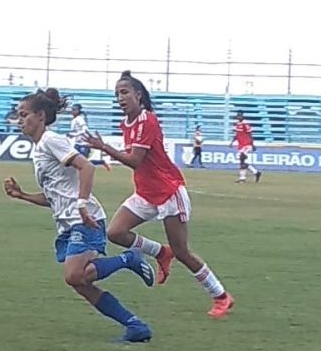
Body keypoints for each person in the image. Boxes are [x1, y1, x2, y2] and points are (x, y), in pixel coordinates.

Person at [4, 88, 155, 343]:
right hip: (68, 223)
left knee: (74, 275)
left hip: (85, 219)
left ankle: (129, 258)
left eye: (23, 115)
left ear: (40, 116)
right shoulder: (40, 149)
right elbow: (55, 197)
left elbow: (86, 167)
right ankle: (135, 326)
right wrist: (23, 195)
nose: (20, 120)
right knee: (81, 283)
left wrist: (83, 205)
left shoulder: (51, 140)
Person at [85, 71, 234, 318]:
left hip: (167, 192)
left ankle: (221, 296)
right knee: (115, 232)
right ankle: (161, 253)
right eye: (117, 94)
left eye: (125, 92)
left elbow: (135, 160)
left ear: (138, 95)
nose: (120, 98)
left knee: (183, 251)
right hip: (145, 192)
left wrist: (104, 148)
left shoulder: (147, 120)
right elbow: (137, 157)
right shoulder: (128, 124)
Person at [68, 104, 110, 170]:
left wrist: (74, 135)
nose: (72, 111)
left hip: (84, 144)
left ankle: (102, 162)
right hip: (77, 143)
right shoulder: (74, 120)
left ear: (79, 111)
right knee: (75, 161)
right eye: (72, 109)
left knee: (84, 162)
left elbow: (85, 130)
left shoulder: (79, 119)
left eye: (74, 110)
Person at [230, 111, 263, 183]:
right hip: (241, 145)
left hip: (246, 144)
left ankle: (242, 178)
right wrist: (232, 142)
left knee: (242, 158)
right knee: (243, 162)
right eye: (238, 116)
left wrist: (252, 144)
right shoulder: (238, 124)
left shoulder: (245, 123)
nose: (239, 117)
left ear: (242, 116)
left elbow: (250, 134)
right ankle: (256, 173)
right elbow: (237, 134)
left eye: (240, 116)